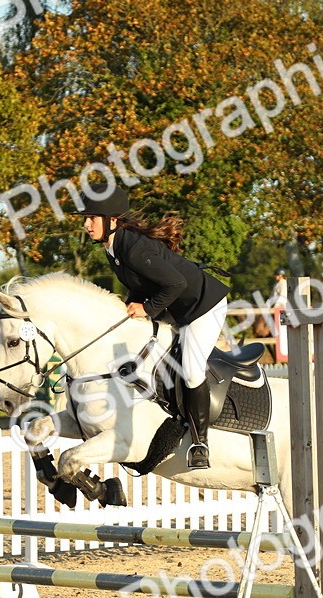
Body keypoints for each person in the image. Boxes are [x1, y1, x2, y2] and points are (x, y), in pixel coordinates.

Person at [70, 183, 230, 470]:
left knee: (192, 369)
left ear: (112, 221)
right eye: (86, 218)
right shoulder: (113, 248)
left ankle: (199, 443)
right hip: (178, 309)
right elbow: (139, 285)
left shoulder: (133, 249)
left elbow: (176, 283)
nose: (86, 224)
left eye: (91, 218)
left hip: (203, 307)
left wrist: (147, 309)